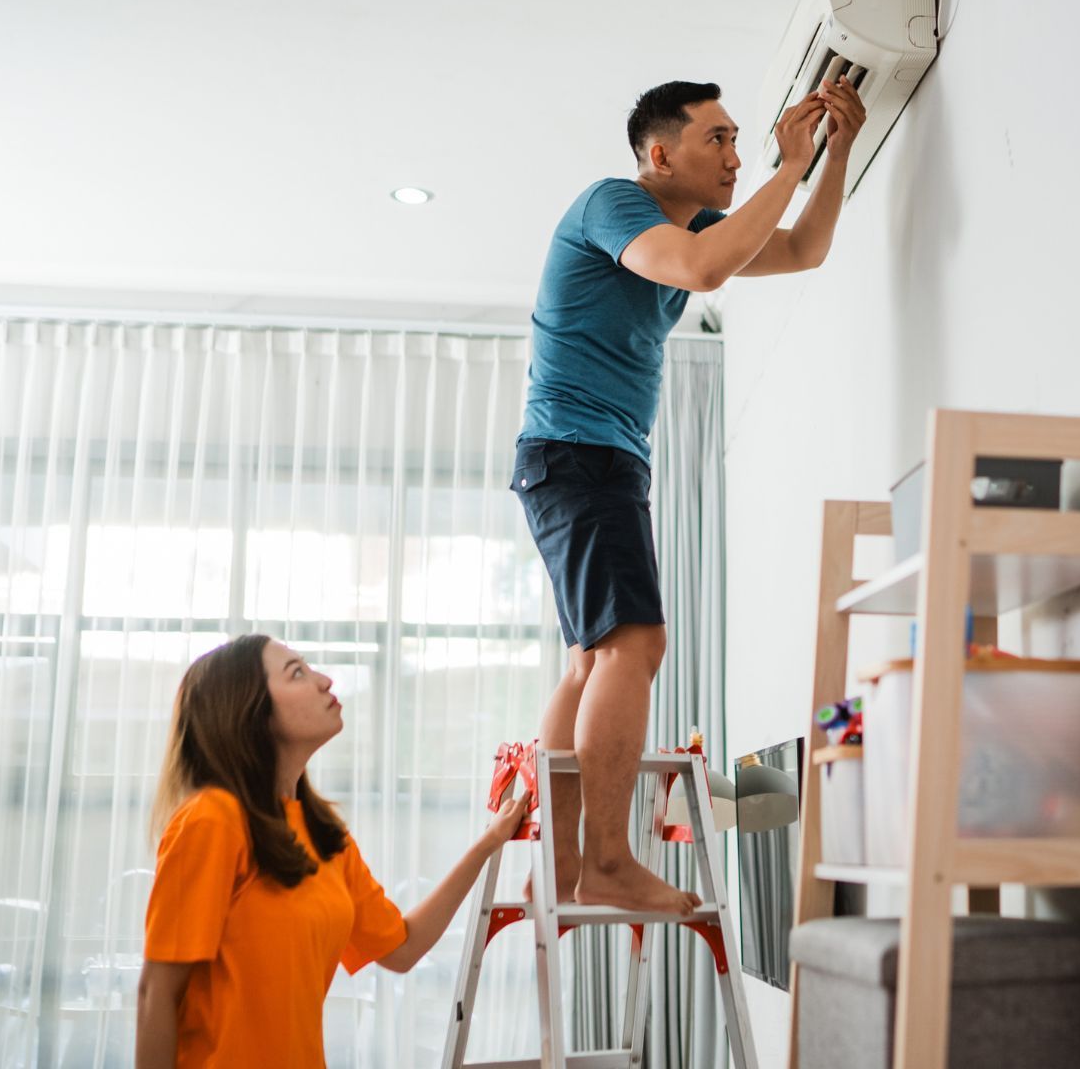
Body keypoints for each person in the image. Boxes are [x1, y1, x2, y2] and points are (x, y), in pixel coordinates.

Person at [512, 76, 864, 915]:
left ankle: (566, 862)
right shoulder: (612, 206)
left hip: (590, 461)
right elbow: (705, 272)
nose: (737, 158)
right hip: (581, 454)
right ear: (659, 153)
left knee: (597, 658)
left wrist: (835, 155)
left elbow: (803, 249)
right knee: (637, 645)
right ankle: (603, 858)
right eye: (720, 140)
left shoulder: (697, 225)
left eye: (741, 141)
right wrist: (793, 160)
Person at [134, 634, 532, 1068]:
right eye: (298, 673)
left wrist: (488, 842)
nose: (324, 680)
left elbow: (402, 948)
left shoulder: (323, 834)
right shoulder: (211, 819)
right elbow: (157, 992)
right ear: (250, 711)